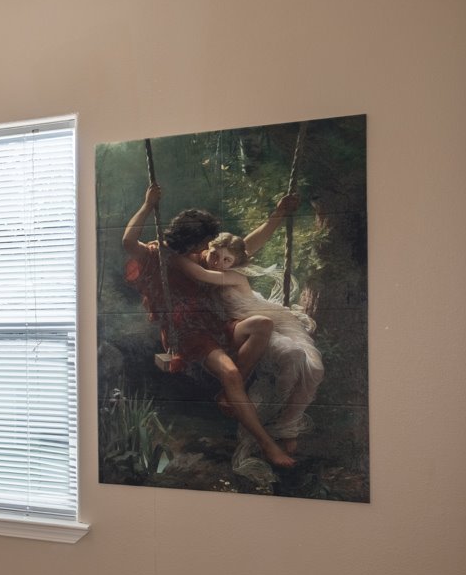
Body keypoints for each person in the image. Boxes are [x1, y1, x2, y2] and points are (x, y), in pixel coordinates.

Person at [121, 184, 301, 469]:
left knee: (262, 325)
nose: (208, 248)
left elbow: (245, 247)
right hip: (188, 334)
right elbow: (128, 241)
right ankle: (268, 445)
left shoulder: (205, 255)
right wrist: (146, 206)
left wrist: (277, 215)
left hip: (216, 324)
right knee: (229, 373)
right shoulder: (158, 255)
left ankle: (229, 393)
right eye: (204, 243)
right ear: (192, 242)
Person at [202, 230, 326, 476]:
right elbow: (199, 270)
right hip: (251, 326)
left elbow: (234, 254)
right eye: (215, 255)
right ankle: (273, 430)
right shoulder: (206, 263)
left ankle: (287, 425)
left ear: (235, 261)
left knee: (315, 368)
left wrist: (278, 216)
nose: (219, 263)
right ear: (209, 247)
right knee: (292, 356)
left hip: (270, 316)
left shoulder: (231, 272)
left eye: (226, 260)